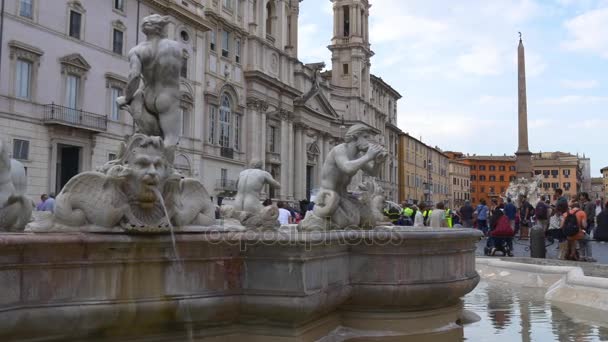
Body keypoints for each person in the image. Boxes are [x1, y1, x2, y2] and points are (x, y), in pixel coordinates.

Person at [116, 14, 184, 147]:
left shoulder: (136, 50)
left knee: (148, 137)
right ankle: (161, 166)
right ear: (161, 28)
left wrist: (126, 97)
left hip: (146, 97)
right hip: (167, 96)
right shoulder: (174, 47)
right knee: (170, 140)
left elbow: (134, 76)